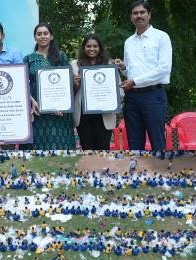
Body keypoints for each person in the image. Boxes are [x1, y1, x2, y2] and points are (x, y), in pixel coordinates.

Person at [114, 1, 172, 156]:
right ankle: (138, 175)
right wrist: (124, 68)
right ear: (131, 17)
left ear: (149, 15)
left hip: (153, 96)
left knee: (157, 141)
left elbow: (164, 68)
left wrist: (135, 81)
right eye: (135, 13)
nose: (138, 16)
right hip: (132, 97)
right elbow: (131, 73)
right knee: (134, 142)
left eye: (142, 12)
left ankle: (161, 175)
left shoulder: (161, 37)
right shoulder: (128, 42)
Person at [25, 23, 75, 150]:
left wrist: (62, 104)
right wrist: (32, 101)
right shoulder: (28, 59)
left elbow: (68, 82)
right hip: (37, 110)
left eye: (45, 33)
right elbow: (23, 85)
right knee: (38, 145)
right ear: (35, 37)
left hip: (60, 112)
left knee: (61, 144)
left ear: (51, 36)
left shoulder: (61, 56)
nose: (42, 36)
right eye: (39, 34)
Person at [72, 33, 120, 150]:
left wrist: (116, 103)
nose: (92, 49)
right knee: (87, 149)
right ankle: (89, 169)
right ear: (83, 48)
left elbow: (119, 88)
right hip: (83, 115)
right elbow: (68, 92)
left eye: (95, 46)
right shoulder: (74, 65)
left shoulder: (109, 64)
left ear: (100, 48)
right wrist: (76, 84)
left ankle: (104, 169)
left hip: (105, 113)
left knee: (103, 149)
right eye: (88, 46)